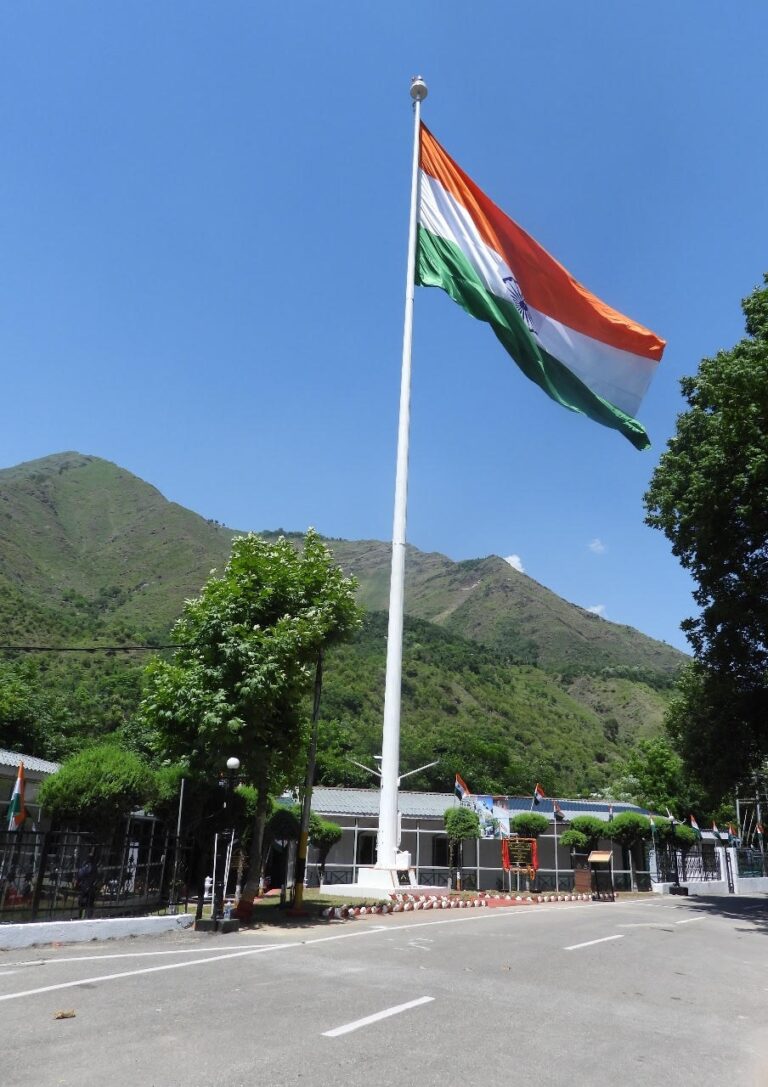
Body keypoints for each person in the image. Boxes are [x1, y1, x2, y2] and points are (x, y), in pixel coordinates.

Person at [75, 852, 99, 919]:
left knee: (83, 903)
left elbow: (80, 874)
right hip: (90, 887)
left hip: (85, 886)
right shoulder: (95, 867)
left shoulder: (87, 866)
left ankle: (82, 917)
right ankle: (87, 917)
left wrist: (78, 881)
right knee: (89, 903)